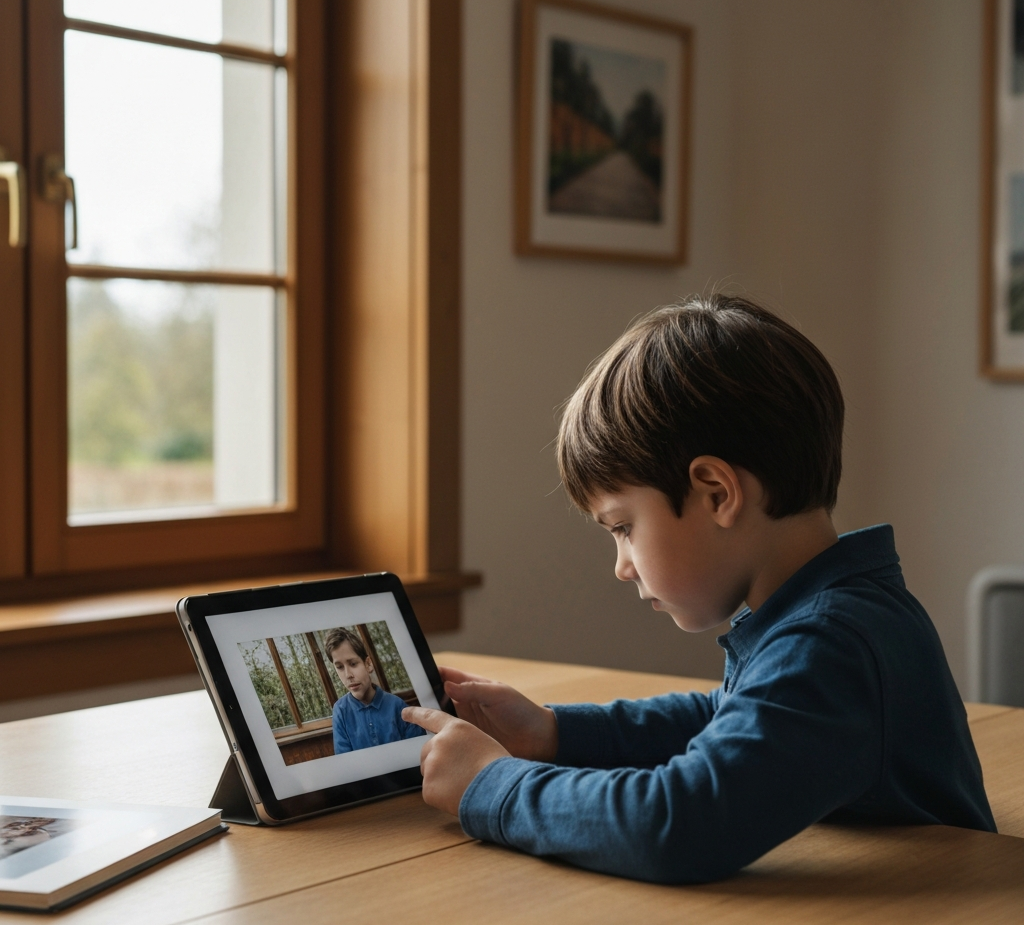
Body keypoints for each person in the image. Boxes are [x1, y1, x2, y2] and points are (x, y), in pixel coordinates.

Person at [402, 294, 996, 884]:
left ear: (716, 492)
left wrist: (492, 787)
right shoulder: (830, 614)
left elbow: (679, 823)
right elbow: (730, 717)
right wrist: (554, 732)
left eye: (624, 527)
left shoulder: (831, 643)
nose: (623, 565)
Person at [326, 627, 425, 755]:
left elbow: (419, 754)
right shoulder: (340, 711)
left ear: (368, 664)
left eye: (353, 664)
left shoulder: (397, 706)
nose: (348, 674)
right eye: (339, 667)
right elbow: (346, 763)